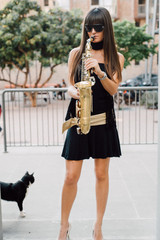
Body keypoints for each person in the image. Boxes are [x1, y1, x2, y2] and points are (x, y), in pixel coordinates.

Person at [58, 7, 124, 240]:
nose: (93, 31)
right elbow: (69, 84)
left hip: (103, 119)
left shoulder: (117, 57)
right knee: (70, 176)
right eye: (89, 27)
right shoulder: (76, 53)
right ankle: (64, 226)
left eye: (98, 27)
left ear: (107, 28)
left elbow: (114, 89)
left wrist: (99, 71)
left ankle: (98, 226)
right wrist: (71, 91)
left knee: (101, 174)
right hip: (79, 117)